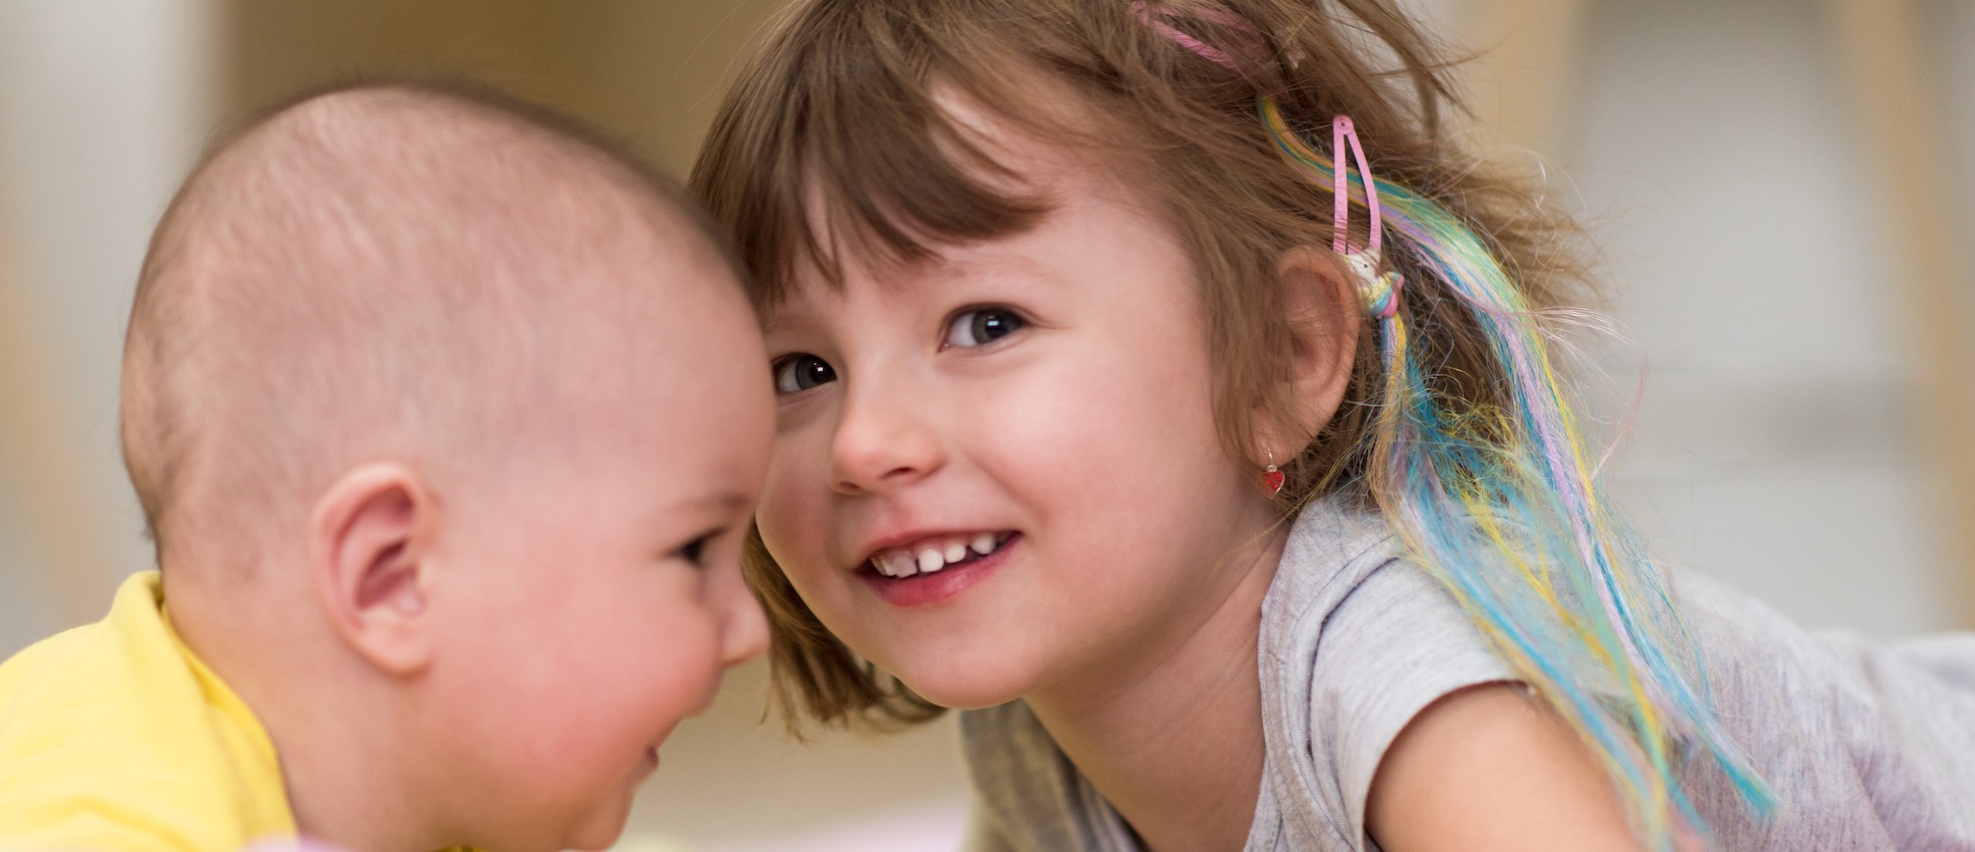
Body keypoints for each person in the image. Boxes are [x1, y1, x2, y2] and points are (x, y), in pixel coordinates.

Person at [688, 1, 1975, 849]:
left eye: (982, 326)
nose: (865, 445)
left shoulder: (1397, 665)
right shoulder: (1036, 737)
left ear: (1285, 356)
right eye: (799, 367)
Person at [0, 80, 774, 852]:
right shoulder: (109, 810)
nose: (750, 629)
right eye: (692, 551)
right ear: (390, 574)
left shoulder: (447, 796)